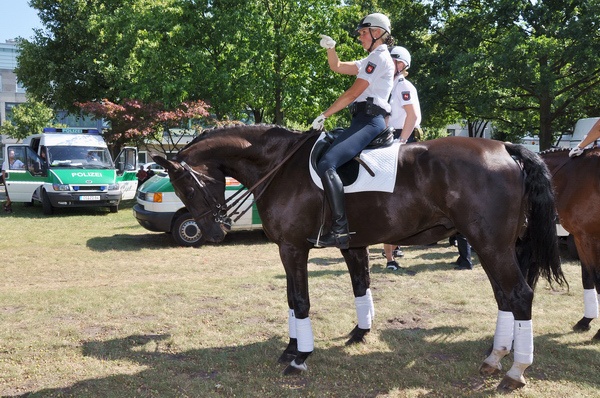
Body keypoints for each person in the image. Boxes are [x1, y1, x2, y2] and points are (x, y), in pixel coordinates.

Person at [308, 13, 395, 249]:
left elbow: (353, 94)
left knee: (327, 163)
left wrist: (325, 114)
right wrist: (331, 48)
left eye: (363, 33)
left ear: (378, 33)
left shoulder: (378, 58)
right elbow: (336, 67)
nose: (360, 37)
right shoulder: (371, 59)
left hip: (370, 120)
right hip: (361, 120)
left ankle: (339, 230)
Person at [383, 45, 422, 269]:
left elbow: (412, 115)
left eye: (395, 61)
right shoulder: (393, 86)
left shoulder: (402, 85)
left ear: (403, 65)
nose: (392, 65)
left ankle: (392, 253)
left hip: (402, 137)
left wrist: (402, 143)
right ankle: (391, 254)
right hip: (395, 136)